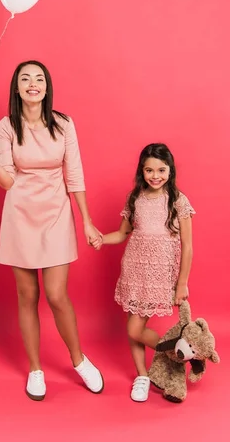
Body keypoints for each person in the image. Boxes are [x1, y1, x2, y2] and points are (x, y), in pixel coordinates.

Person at [0, 60, 104, 401]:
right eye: (25, 79)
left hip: (57, 214)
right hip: (20, 216)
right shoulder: (5, 127)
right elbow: (7, 181)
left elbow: (74, 174)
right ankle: (35, 369)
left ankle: (79, 360)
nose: (33, 83)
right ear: (16, 88)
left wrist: (86, 220)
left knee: (57, 295)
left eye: (39, 78)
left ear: (47, 86)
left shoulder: (64, 124)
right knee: (27, 296)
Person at [91, 143, 194, 402]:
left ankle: (176, 354)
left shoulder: (178, 201)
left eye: (161, 169)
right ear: (142, 171)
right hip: (134, 271)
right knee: (131, 327)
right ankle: (143, 375)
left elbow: (188, 245)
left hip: (160, 274)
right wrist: (101, 238)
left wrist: (182, 283)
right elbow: (123, 233)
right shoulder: (134, 197)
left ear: (170, 170)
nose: (155, 175)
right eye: (149, 170)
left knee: (134, 329)